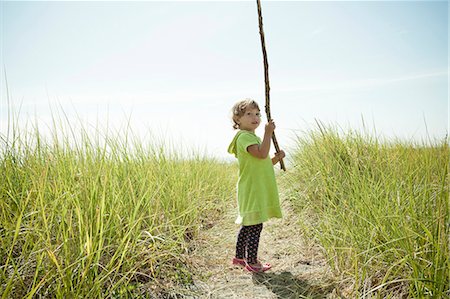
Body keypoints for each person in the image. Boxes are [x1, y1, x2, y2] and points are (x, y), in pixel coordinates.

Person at [227, 98, 285, 273]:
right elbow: (261, 154)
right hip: (251, 188)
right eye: (249, 114)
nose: (255, 117)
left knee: (249, 224)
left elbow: (262, 163)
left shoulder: (252, 137)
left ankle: (239, 257)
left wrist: (276, 158)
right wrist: (268, 133)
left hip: (253, 186)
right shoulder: (244, 137)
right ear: (237, 119)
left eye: (258, 114)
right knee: (255, 225)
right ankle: (251, 262)